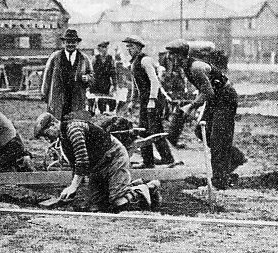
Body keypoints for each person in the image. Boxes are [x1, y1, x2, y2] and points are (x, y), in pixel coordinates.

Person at [34, 111, 161, 213]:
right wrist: (72, 191)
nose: (47, 138)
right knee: (96, 206)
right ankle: (133, 185)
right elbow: (76, 165)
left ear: (53, 125)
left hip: (114, 159)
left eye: (46, 134)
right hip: (98, 167)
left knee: (118, 202)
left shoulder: (73, 130)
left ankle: (147, 188)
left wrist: (73, 187)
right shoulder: (63, 138)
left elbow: (82, 160)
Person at [165, 39, 246, 189]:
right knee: (201, 132)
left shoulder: (195, 68)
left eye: (171, 56)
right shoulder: (186, 67)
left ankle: (219, 181)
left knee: (217, 139)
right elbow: (206, 91)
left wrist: (191, 107)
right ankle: (235, 156)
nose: (169, 59)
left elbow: (208, 92)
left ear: (180, 56)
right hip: (215, 99)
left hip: (225, 99)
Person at [124, 36, 175, 168]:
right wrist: (132, 101)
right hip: (145, 100)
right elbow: (135, 85)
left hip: (155, 99)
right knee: (143, 130)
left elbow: (154, 81)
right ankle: (148, 161)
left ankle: (168, 159)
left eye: (132, 47)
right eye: (128, 47)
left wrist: (152, 100)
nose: (129, 49)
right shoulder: (133, 63)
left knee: (155, 129)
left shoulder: (145, 60)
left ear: (139, 47)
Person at [41, 29, 94, 120]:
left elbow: (92, 75)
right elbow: (47, 76)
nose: (70, 44)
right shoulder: (55, 57)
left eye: (73, 42)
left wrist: (88, 78)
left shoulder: (84, 58)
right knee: (56, 124)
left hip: (77, 98)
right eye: (68, 42)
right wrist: (45, 94)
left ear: (77, 43)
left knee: (75, 124)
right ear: (64, 43)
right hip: (58, 98)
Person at [89, 41, 117, 114]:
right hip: (96, 84)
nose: (104, 49)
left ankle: (102, 116)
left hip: (106, 84)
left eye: (105, 47)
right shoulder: (95, 58)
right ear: (99, 49)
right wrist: (90, 83)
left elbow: (113, 73)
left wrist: (114, 85)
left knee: (104, 102)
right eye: (102, 47)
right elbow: (91, 72)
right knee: (93, 103)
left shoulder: (111, 59)